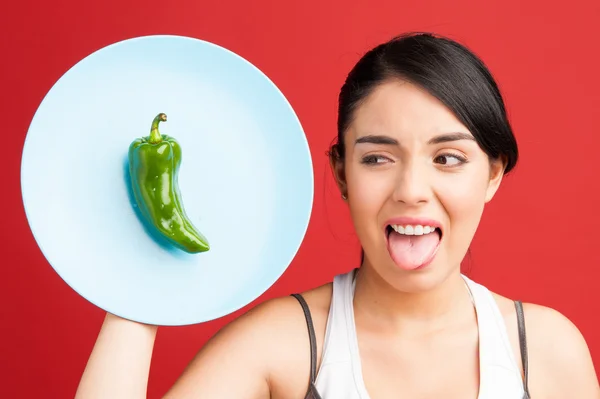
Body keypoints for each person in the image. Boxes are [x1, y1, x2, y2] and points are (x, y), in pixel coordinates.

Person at [74, 32, 600, 399]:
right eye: (377, 158)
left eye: (447, 158)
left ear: (492, 175)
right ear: (342, 174)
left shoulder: (546, 350)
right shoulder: (283, 343)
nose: (412, 191)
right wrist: (137, 281)